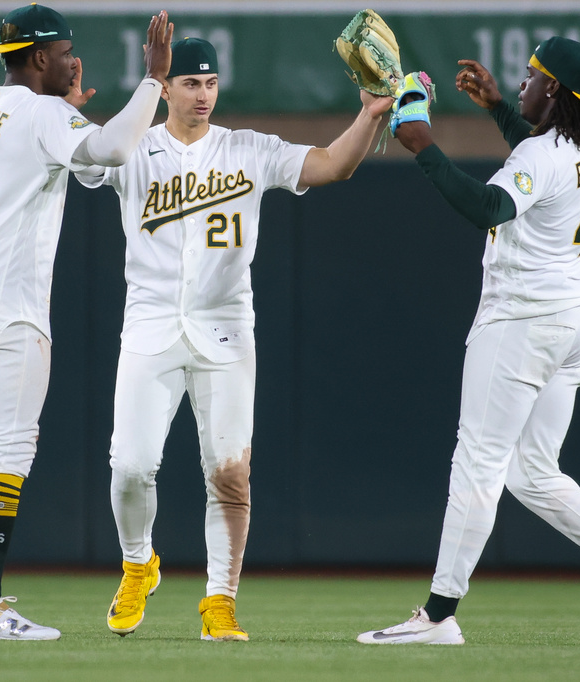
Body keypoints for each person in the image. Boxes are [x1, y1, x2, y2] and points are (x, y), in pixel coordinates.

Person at [357, 37, 580, 647]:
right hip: (572, 322)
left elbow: (489, 205)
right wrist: (496, 110)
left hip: (521, 324)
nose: (521, 84)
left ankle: (436, 616)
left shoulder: (549, 152)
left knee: (477, 465)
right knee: (533, 473)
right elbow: (539, 161)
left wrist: (421, 144)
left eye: (532, 76)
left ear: (555, 90)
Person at [75, 37, 393, 641]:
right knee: (130, 468)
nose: (203, 94)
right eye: (190, 83)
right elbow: (83, 157)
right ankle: (139, 564)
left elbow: (332, 164)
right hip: (150, 328)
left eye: (210, 83)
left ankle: (220, 601)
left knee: (229, 474)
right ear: (165, 88)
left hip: (225, 331)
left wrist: (368, 115)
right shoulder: (135, 147)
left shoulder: (246, 149)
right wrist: (74, 107)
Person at [0, 3, 173, 640]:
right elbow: (116, 150)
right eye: (66, 51)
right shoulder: (44, 112)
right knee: (8, 450)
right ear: (40, 57)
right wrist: (153, 79)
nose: (74, 60)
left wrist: (73, 113)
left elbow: (87, 167)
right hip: (9, 303)